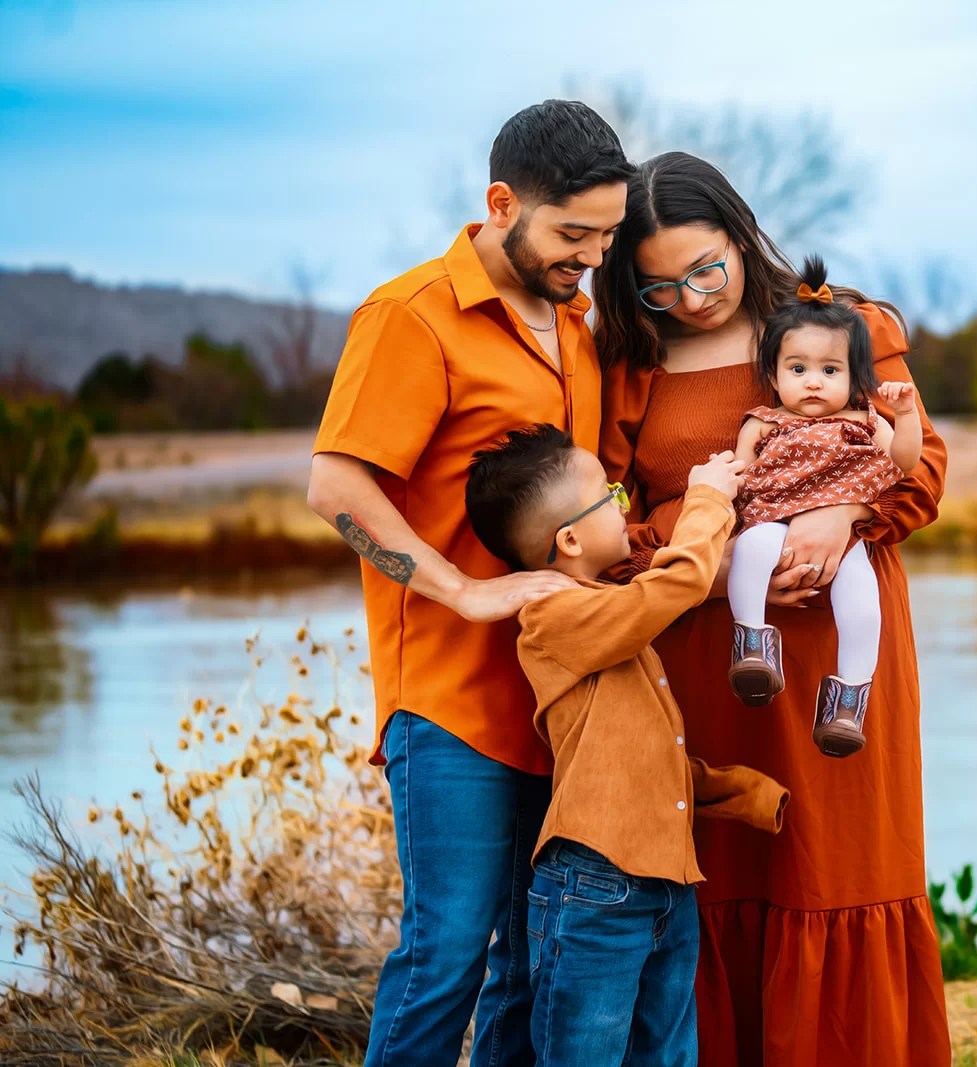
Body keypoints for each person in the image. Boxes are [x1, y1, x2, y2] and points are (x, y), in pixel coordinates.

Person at [592, 151, 951, 1067]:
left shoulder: (843, 325)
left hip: (838, 652)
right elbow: (605, 528)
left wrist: (845, 511)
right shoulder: (629, 364)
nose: (691, 300)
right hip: (710, 654)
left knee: (838, 869)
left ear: (741, 234)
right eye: (660, 286)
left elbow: (922, 469)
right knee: (720, 876)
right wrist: (707, 565)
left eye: (706, 269)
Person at [305, 100, 631, 1067]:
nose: (592, 258)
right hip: (450, 701)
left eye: (607, 237)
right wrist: (464, 590)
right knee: (445, 953)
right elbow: (335, 486)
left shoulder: (577, 325)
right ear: (501, 204)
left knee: (531, 960)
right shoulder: (411, 316)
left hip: (558, 695)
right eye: (573, 235)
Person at [464, 425, 788, 1067]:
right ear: (570, 540)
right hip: (594, 885)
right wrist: (708, 498)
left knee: (667, 1054)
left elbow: (639, 752)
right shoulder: (554, 620)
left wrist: (743, 791)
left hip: (666, 883)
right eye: (611, 496)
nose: (624, 505)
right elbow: (674, 586)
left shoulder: (607, 614)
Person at [727, 256, 923, 758]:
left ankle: (848, 701)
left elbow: (905, 463)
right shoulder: (763, 422)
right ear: (774, 376)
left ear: (855, 378)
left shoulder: (866, 421)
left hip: (846, 536)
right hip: (774, 519)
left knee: (863, 604)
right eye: (798, 369)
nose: (813, 382)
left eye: (829, 370)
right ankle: (753, 645)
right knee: (750, 550)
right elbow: (739, 477)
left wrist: (904, 415)